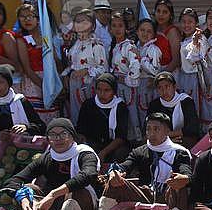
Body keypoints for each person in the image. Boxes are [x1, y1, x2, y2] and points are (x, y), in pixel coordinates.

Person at [100, 112, 192, 210]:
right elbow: (125, 166)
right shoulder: (139, 151)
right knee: (114, 181)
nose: (151, 133)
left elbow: (186, 172)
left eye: (156, 129)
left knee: (180, 186)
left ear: (168, 131)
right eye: (148, 129)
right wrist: (114, 172)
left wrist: (184, 178)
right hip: (145, 195)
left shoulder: (180, 152)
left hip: (169, 197)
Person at [15, 3, 60, 123]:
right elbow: (27, 69)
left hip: (49, 78)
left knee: (52, 115)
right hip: (33, 82)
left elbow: (55, 60)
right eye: (23, 16)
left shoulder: (46, 37)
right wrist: (45, 87)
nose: (27, 20)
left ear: (38, 19)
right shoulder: (21, 40)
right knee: (37, 117)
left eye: (31, 16)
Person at [63, 9, 106, 124]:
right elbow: (72, 64)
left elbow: (103, 69)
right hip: (74, 86)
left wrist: (87, 70)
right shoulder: (74, 44)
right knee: (77, 115)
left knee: (90, 116)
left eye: (85, 22)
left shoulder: (96, 45)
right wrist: (67, 74)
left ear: (92, 26)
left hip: (89, 86)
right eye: (78, 21)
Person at [76, 72, 130, 165]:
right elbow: (81, 131)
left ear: (113, 91)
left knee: (121, 153)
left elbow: (121, 137)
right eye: (99, 89)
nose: (102, 94)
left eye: (107, 90)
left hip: (112, 146)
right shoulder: (88, 104)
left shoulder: (120, 107)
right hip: (93, 143)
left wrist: (103, 153)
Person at [107, 10, 142, 141]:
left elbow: (135, 67)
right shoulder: (113, 46)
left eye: (120, 25)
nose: (117, 29)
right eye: (114, 25)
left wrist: (126, 78)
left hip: (127, 87)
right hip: (117, 87)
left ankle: (136, 141)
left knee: (131, 114)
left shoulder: (129, 46)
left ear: (126, 28)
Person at [146, 71, 200, 148]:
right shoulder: (155, 105)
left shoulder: (185, 101)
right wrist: (166, 139)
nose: (164, 91)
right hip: (160, 138)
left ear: (174, 87)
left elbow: (191, 128)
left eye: (167, 86)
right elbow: (149, 127)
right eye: (160, 88)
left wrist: (168, 136)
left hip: (182, 137)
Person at [178, 7, 207, 99]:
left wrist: (195, 42)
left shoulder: (200, 38)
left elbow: (198, 56)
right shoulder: (185, 39)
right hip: (184, 77)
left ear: (196, 23)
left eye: (190, 22)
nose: (186, 25)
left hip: (196, 77)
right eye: (183, 22)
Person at [137, 18, 163, 117]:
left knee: (147, 113)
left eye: (149, 31)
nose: (145, 34)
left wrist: (140, 59)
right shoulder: (136, 47)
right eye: (142, 30)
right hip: (137, 85)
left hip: (148, 85)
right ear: (137, 31)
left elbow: (155, 70)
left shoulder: (154, 49)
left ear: (153, 34)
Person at [154, 0, 181, 73]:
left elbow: (176, 60)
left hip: (169, 74)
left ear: (170, 15)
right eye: (158, 11)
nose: (161, 14)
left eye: (165, 12)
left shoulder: (173, 32)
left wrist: (161, 76)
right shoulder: (152, 29)